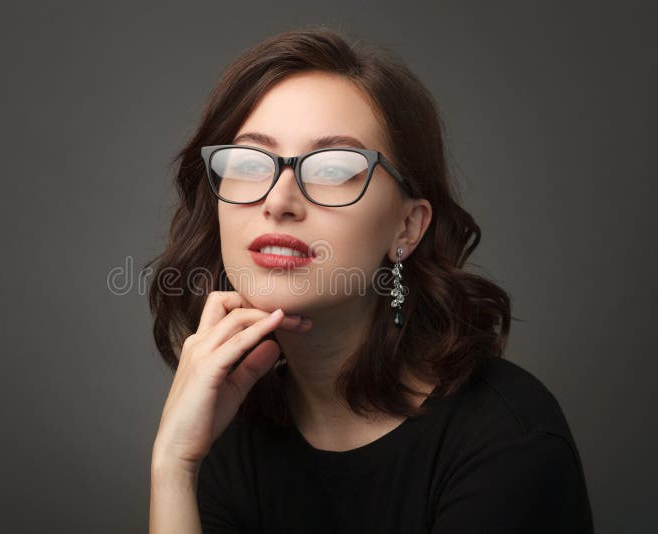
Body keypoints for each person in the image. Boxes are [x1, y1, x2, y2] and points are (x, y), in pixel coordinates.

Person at [147, 26, 594, 534]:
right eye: (250, 162)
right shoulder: (227, 432)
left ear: (407, 227)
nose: (278, 201)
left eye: (333, 169)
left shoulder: (508, 438)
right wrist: (174, 466)